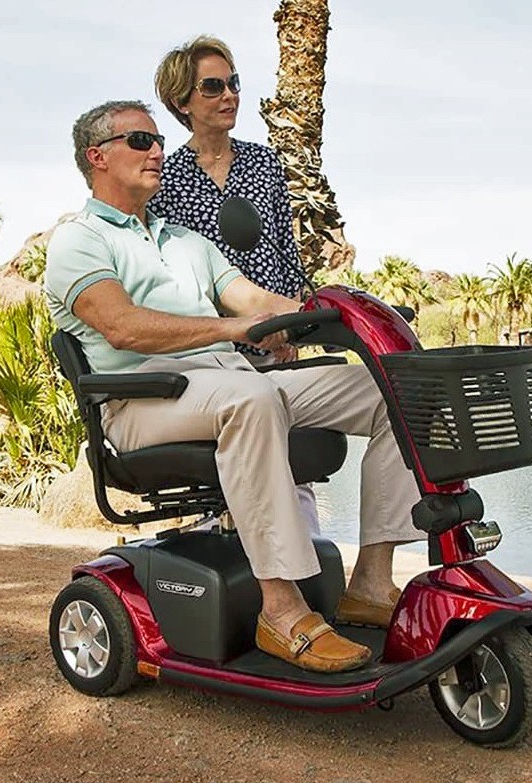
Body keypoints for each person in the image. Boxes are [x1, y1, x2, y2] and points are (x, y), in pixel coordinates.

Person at [44, 100, 425, 674]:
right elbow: (121, 325)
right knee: (254, 400)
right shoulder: (79, 240)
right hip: (141, 401)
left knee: (388, 392)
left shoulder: (183, 241)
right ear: (97, 157)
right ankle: (281, 608)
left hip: (230, 380)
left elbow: (253, 301)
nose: (158, 151)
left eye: (158, 142)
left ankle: (371, 581)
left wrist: (330, 313)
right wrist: (231, 329)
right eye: (141, 141)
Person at [150, 35, 320, 534]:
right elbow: (172, 275)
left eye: (234, 83)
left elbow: (284, 251)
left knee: (294, 457)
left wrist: (293, 325)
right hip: (212, 348)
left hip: (277, 334)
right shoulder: (168, 177)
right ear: (182, 100)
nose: (230, 96)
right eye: (213, 86)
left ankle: (309, 567)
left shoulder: (264, 162)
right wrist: (223, 332)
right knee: (229, 465)